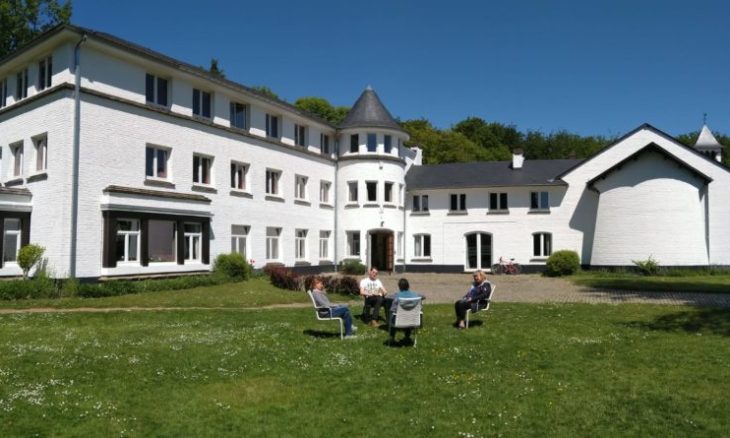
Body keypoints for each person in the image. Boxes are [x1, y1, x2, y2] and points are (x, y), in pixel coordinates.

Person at [389, 278, 424, 345]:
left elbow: (392, 309)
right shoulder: (415, 295)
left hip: (399, 321)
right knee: (408, 314)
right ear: (408, 286)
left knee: (393, 315)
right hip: (413, 320)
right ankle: (407, 337)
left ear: (399, 287)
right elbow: (423, 296)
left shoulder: (397, 296)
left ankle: (392, 338)